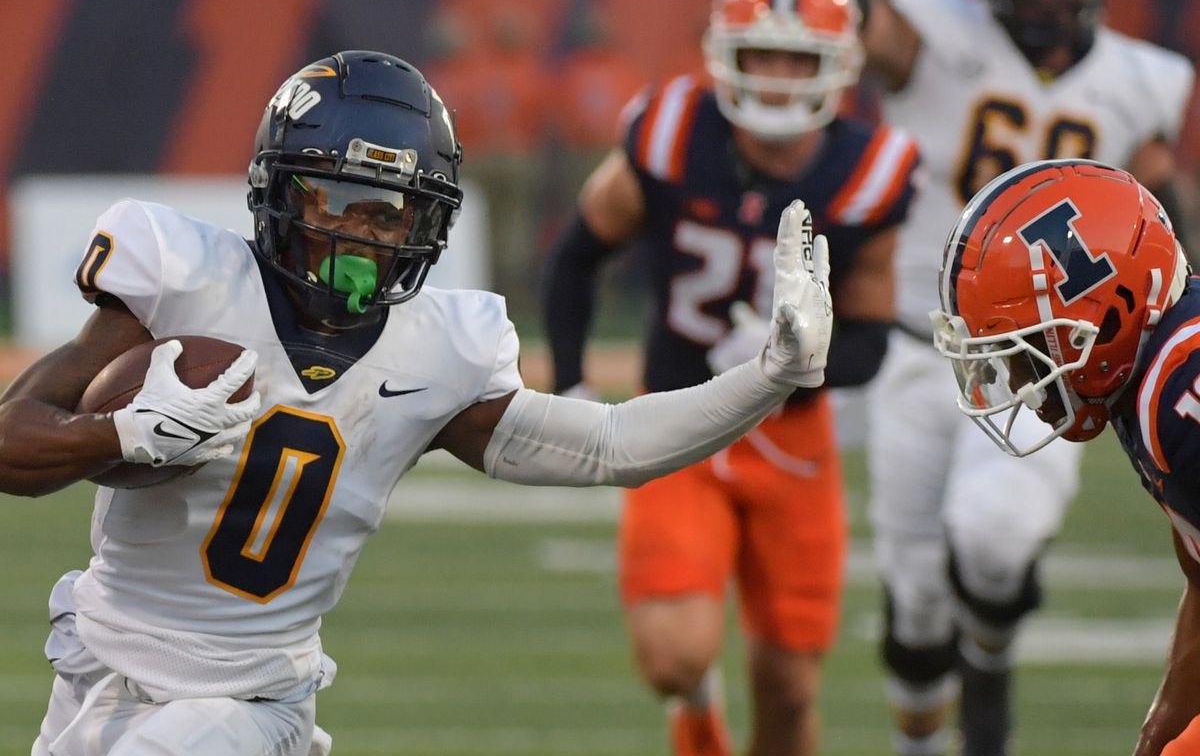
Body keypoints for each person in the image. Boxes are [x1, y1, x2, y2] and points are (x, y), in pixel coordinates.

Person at [8, 50, 837, 756]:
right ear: (279, 194)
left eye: (389, 213)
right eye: (335, 202)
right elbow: (12, 444)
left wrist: (769, 376)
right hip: (97, 663)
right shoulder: (183, 283)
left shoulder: (439, 352)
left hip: (249, 703)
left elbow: (612, 443)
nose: (363, 238)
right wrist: (116, 434)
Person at [542, 0, 919, 754]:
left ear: (839, 65)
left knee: (788, 689)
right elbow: (576, 256)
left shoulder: (870, 173)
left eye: (798, 58)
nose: (779, 80)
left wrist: (797, 361)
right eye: (761, 55)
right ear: (723, 55)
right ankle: (696, 710)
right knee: (674, 656)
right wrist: (573, 384)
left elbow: (872, 338)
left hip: (793, 444)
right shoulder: (672, 132)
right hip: (676, 420)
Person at [858, 0, 1196, 754]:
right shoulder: (926, 27)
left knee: (995, 534)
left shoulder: (1137, 80)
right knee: (913, 600)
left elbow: (1164, 220)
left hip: (1062, 355)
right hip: (925, 345)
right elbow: (837, 28)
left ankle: (988, 699)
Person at [931, 158, 1198, 756]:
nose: (1017, 382)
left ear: (1103, 319)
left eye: (1022, 353)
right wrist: (1162, 728)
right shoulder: (1150, 383)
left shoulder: (1180, 391)